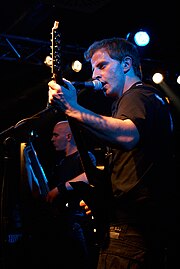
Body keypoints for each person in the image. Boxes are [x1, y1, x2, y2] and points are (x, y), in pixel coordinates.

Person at [48, 37, 177, 269]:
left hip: (133, 234)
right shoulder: (131, 101)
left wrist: (72, 108)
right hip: (136, 231)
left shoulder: (139, 95)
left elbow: (127, 136)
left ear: (126, 64)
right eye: (92, 69)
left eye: (102, 65)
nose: (94, 75)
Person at [45, 120, 99, 269]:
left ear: (68, 137)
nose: (52, 139)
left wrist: (60, 189)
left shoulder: (84, 157)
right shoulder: (61, 163)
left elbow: (90, 176)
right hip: (64, 223)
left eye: (56, 135)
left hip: (79, 223)